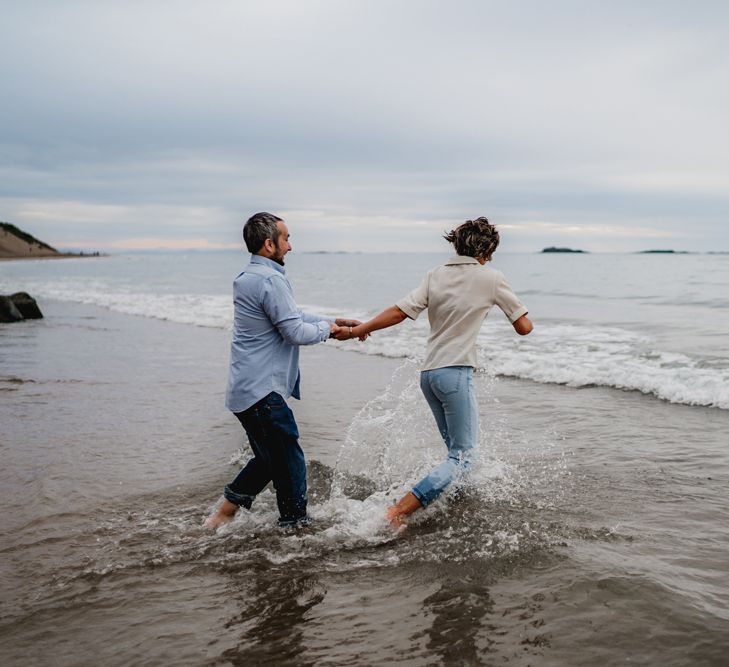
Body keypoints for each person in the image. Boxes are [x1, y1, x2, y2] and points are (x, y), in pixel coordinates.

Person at [335, 217, 533, 528]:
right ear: (488, 249)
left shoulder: (436, 274)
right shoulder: (491, 277)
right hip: (455, 375)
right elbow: (524, 327)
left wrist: (361, 329)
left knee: (456, 454)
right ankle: (398, 512)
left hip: (430, 375)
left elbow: (400, 311)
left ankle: (456, 503)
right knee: (463, 459)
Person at [204, 212, 363, 529]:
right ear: (268, 244)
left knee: (268, 459)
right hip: (263, 391)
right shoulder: (270, 279)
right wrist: (331, 331)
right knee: (290, 463)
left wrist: (335, 320)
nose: (290, 246)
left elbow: (292, 315)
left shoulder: (249, 277)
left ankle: (223, 514)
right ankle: (295, 526)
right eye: (286, 238)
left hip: (245, 390)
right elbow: (294, 331)